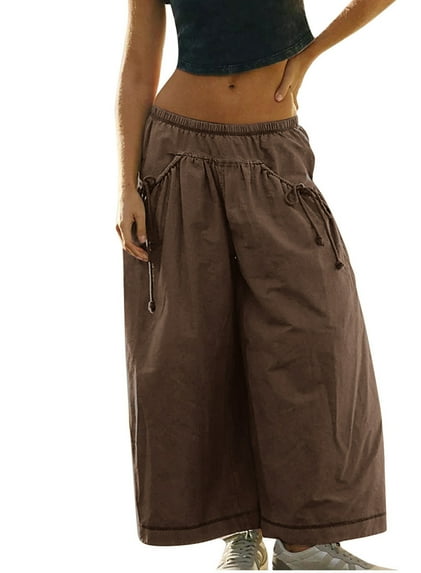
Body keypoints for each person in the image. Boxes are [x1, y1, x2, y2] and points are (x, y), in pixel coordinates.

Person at [115, 0, 396, 569]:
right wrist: (126, 186)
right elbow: (140, 60)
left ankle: (305, 542)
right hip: (178, 155)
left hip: (272, 151)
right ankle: (239, 534)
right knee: (198, 350)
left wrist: (310, 54)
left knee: (313, 342)